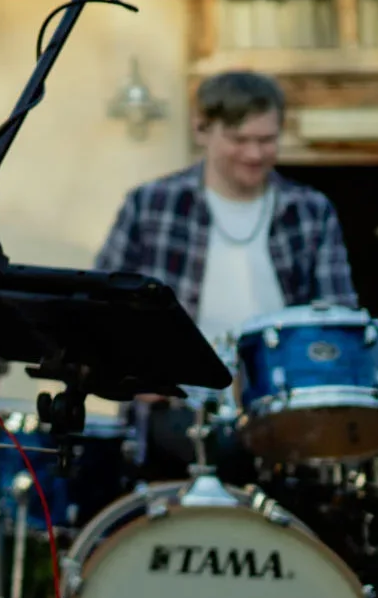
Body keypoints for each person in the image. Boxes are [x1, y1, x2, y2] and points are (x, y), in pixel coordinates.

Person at [94, 68, 356, 471]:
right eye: (239, 140)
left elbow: (339, 318)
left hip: (284, 422)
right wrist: (133, 372)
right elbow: (101, 309)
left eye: (266, 140)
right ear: (202, 131)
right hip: (174, 420)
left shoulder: (311, 211)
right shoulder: (150, 205)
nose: (254, 154)